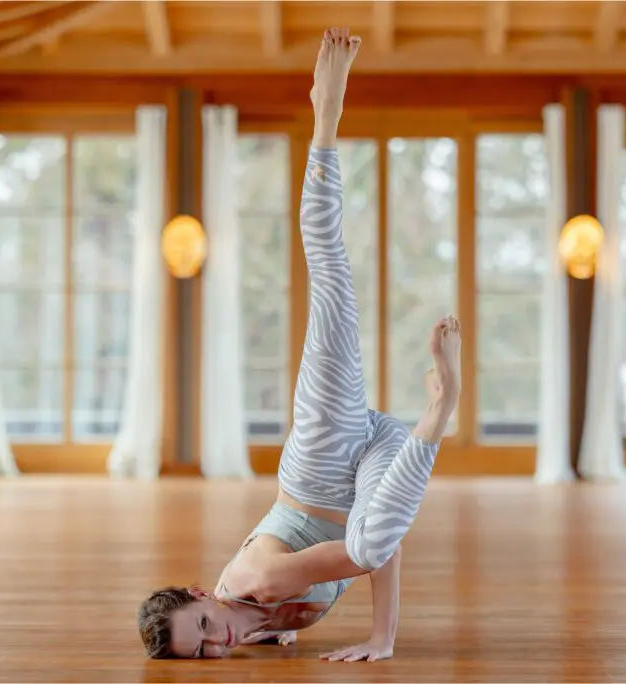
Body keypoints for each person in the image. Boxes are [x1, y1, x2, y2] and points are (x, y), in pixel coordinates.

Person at [138, 27, 462, 662]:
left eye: (203, 625)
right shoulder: (251, 623)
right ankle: (435, 411)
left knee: (332, 288)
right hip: (376, 458)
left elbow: (369, 552)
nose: (217, 642)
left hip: (321, 457)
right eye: (202, 652)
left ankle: (325, 121)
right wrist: (380, 637)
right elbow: (381, 540)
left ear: (203, 593)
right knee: (371, 536)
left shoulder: (261, 580)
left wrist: (373, 634)